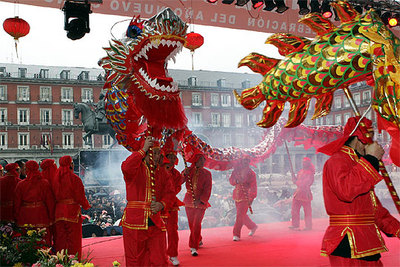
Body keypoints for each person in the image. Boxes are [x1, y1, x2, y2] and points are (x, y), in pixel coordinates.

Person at [317, 116, 400, 265]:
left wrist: (397, 229)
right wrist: (371, 158)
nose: (372, 144)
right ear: (358, 139)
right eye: (369, 139)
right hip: (347, 240)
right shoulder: (337, 161)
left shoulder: (359, 164)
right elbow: (346, 190)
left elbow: (373, 209)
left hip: (367, 240)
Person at [121, 136, 175, 266]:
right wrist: (143, 149)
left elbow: (170, 193)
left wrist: (162, 204)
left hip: (155, 221)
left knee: (159, 259)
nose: (157, 157)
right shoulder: (135, 170)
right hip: (135, 221)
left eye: (158, 153)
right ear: (145, 153)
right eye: (153, 153)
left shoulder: (162, 172)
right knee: (136, 259)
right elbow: (126, 167)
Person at [52, 155, 91, 260]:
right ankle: (74, 261)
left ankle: (60, 260)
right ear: (70, 164)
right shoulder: (75, 179)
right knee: (73, 239)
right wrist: (86, 206)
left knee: (60, 238)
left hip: (59, 211)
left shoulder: (55, 178)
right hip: (72, 211)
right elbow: (80, 197)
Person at [13, 161, 55, 246]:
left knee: (26, 240)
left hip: (25, 216)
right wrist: (51, 217)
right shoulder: (45, 183)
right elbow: (50, 202)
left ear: (27, 170)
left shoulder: (21, 184)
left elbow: (17, 203)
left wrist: (16, 217)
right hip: (41, 215)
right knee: (43, 240)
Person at [182, 152, 212, 256]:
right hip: (189, 200)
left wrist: (201, 200)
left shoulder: (207, 174)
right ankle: (198, 238)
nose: (202, 162)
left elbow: (208, 189)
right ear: (195, 161)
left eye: (203, 160)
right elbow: (179, 181)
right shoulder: (188, 170)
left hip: (200, 202)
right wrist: (184, 174)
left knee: (196, 224)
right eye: (200, 160)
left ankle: (193, 246)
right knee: (191, 224)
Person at [163, 147, 184, 266]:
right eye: (169, 156)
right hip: (159, 205)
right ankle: (160, 254)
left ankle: (173, 254)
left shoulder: (176, 173)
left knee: (172, 230)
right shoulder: (158, 170)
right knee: (158, 232)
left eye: (173, 157)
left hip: (171, 204)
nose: (171, 159)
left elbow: (177, 188)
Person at [229, 157, 258, 241]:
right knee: (241, 215)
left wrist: (251, 197)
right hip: (237, 195)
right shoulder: (236, 171)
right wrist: (236, 181)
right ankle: (252, 226)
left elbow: (253, 186)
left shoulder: (252, 173)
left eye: (247, 160)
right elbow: (231, 181)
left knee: (239, 215)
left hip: (246, 196)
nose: (245, 162)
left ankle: (236, 234)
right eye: (244, 160)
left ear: (249, 162)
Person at [289, 157, 315, 231]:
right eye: (303, 162)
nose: (303, 164)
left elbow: (305, 183)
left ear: (308, 164)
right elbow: (298, 181)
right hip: (298, 193)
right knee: (294, 209)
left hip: (305, 193)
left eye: (305, 162)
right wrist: (294, 178)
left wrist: (296, 182)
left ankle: (308, 226)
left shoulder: (310, 173)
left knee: (307, 211)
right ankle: (295, 224)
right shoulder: (300, 171)